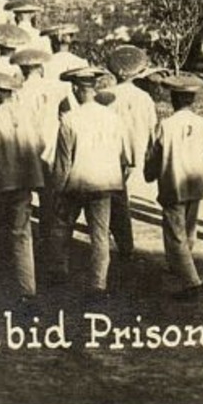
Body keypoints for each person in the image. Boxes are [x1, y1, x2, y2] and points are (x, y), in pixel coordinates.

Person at [145, 72, 203, 301]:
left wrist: (150, 174)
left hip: (172, 183)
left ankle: (191, 281)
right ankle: (179, 264)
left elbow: (153, 156)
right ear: (193, 100)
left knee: (175, 232)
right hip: (196, 184)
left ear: (173, 99)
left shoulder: (165, 125)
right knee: (188, 228)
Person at [50, 68, 131, 294]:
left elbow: (63, 161)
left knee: (61, 227)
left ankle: (60, 270)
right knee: (100, 234)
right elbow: (122, 155)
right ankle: (98, 282)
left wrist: (57, 189)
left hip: (77, 182)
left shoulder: (69, 120)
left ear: (76, 88)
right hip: (104, 183)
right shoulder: (113, 117)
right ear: (93, 88)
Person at [0, 68, 44, 301]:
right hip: (25, 181)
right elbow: (40, 143)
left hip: (0, 183)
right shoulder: (27, 113)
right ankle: (27, 288)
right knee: (22, 234)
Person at [104, 44, 158, 262]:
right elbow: (153, 129)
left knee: (115, 195)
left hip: (112, 150)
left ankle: (122, 241)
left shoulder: (106, 96)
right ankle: (122, 240)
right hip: (134, 151)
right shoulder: (144, 98)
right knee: (119, 194)